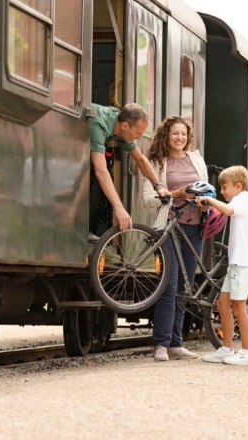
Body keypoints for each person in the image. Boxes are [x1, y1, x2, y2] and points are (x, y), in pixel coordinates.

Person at [142, 116, 208, 362]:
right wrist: (173, 194)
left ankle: (176, 344)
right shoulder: (157, 162)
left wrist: (204, 201)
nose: (179, 138)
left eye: (183, 134)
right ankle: (161, 344)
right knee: (168, 286)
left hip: (194, 228)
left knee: (184, 286)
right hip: (169, 227)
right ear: (166, 136)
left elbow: (206, 190)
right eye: (174, 134)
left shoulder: (197, 160)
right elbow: (147, 199)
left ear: (188, 136)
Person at [196, 166, 248, 366]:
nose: (222, 191)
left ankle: (247, 352)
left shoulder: (241, 202)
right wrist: (247, 242)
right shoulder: (243, 203)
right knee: (222, 303)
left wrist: (209, 199)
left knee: (239, 306)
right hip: (237, 263)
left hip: (242, 264)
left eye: (224, 187)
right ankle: (226, 348)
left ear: (238, 186)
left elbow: (227, 210)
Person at [89, 103, 167, 236]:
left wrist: (158, 186)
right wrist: (119, 208)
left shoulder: (121, 126)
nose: (140, 137)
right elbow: (101, 171)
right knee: (97, 179)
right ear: (125, 126)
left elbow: (141, 160)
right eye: (138, 133)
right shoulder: (99, 124)